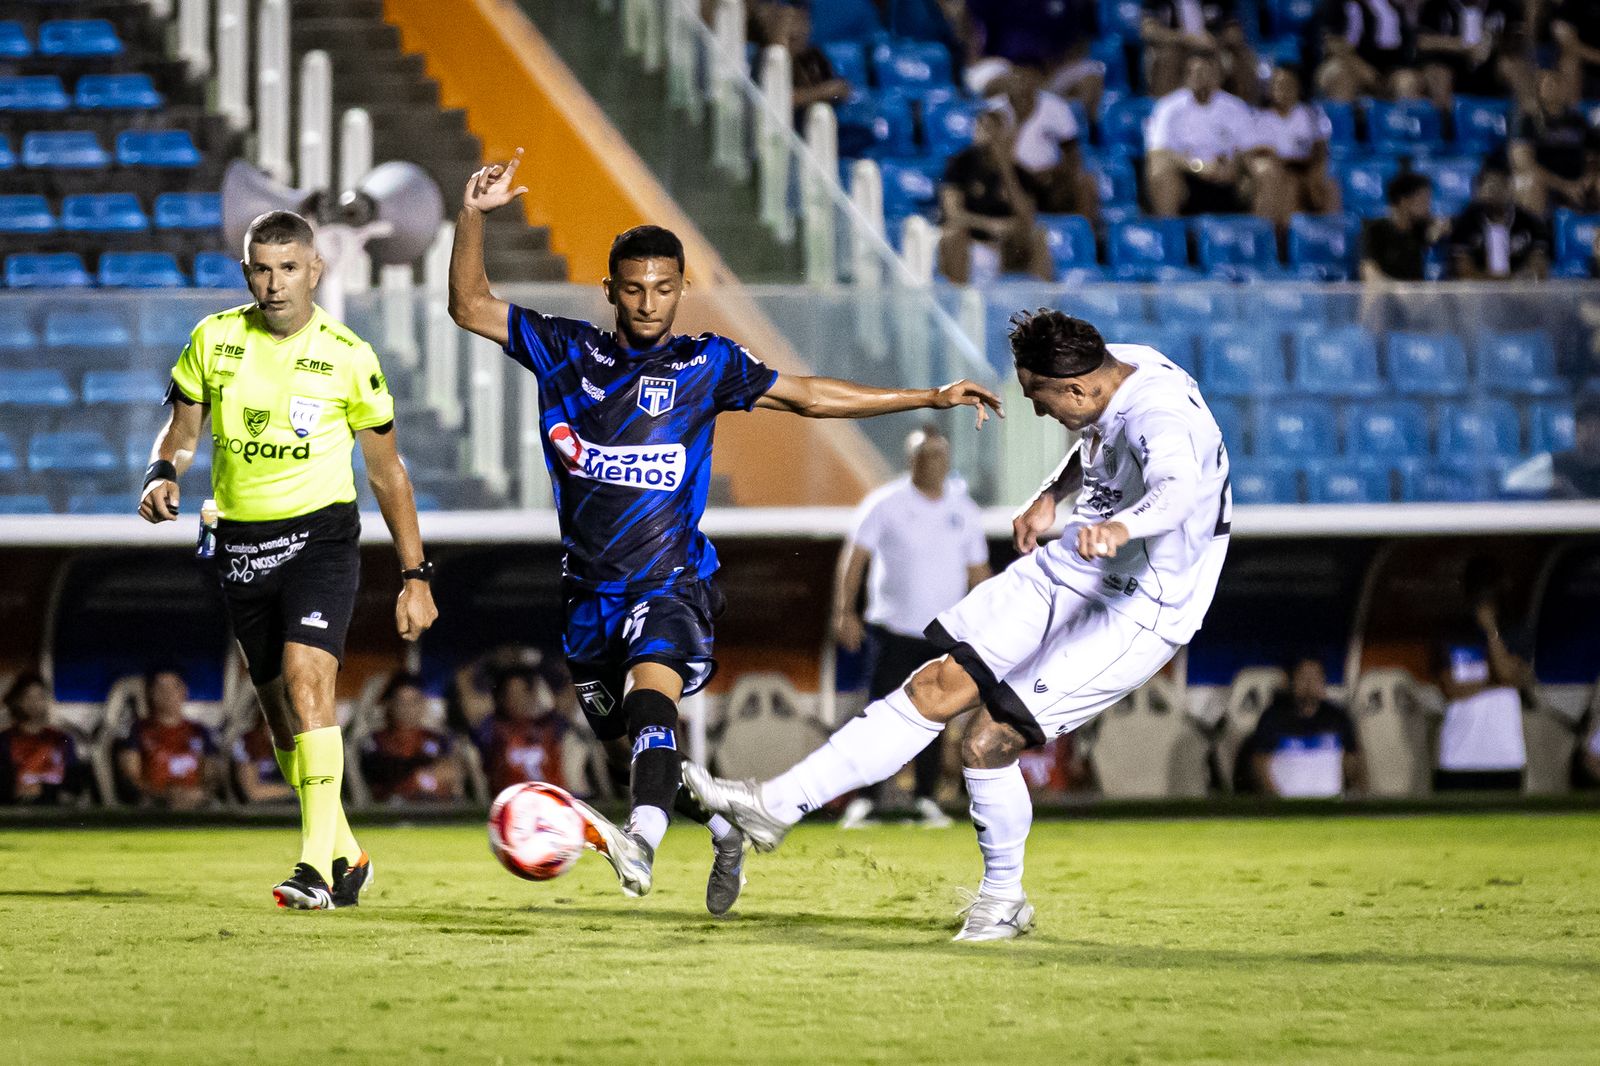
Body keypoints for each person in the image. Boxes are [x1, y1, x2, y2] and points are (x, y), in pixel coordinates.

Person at [448, 149, 1002, 915]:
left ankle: (638, 839)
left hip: (671, 578)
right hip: (586, 592)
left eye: (664, 289)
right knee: (639, 756)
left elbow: (808, 395)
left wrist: (930, 396)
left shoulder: (703, 364)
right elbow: (470, 305)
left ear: (682, 290)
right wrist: (472, 215)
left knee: (652, 706)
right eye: (635, 289)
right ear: (609, 290)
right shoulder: (565, 349)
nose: (649, 304)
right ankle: (724, 823)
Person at [684, 311, 1232, 942]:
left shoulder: (1161, 415)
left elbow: (1178, 489)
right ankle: (771, 809)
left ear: (1076, 388)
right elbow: (1098, 442)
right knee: (934, 687)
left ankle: (1003, 902)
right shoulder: (1116, 364)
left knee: (987, 741)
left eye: (1040, 399)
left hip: (1143, 602)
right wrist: (1053, 495)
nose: (1037, 411)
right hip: (1080, 562)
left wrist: (1122, 526)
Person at [137, 209, 438, 910]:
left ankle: (313, 870)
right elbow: (183, 432)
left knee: (310, 683)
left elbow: (390, 474)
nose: (275, 284)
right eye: (262, 269)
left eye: (289, 268)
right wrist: (161, 472)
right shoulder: (214, 340)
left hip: (320, 538)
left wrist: (416, 574)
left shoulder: (347, 354)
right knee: (282, 721)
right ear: (247, 272)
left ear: (315, 269)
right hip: (241, 545)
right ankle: (347, 853)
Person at [832, 425, 991, 830]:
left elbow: (978, 572)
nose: (934, 463)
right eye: (925, 455)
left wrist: (990, 622)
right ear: (911, 460)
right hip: (892, 631)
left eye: (940, 455)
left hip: (943, 634)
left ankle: (925, 799)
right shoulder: (884, 504)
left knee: (934, 720)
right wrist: (844, 611)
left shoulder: (964, 511)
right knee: (879, 716)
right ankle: (866, 800)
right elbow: (855, 560)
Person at [1433, 557, 1533, 792]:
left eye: (1489, 588)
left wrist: (1491, 631)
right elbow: (1451, 689)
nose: (1484, 597)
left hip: (1505, 755)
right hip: (1458, 756)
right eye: (1479, 588)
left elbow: (1508, 676)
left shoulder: (1515, 631)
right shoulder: (1451, 633)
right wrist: (1493, 684)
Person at [1146, 54, 1285, 222]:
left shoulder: (1234, 107)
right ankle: (1171, 238)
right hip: (1187, 176)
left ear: (1218, 76)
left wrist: (1235, 167)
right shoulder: (1168, 107)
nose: (1200, 78)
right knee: (1159, 169)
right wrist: (1198, 166)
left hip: (1228, 175)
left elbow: (1251, 147)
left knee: (1267, 170)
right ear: (1187, 76)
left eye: (1206, 72)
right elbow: (1159, 152)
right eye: (1195, 73)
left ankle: (1258, 238)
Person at [937, 108, 1054, 284]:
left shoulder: (1018, 172)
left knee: (1038, 236)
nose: (989, 137)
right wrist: (990, 225)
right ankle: (958, 303)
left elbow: (1027, 217)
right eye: (984, 129)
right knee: (953, 234)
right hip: (971, 239)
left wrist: (1006, 170)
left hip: (1006, 245)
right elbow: (953, 213)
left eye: (994, 130)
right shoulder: (961, 164)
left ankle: (1043, 302)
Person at [985, 65, 1101, 221]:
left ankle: (1082, 236)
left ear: (1036, 80)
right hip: (1011, 175)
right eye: (1015, 78)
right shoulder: (995, 109)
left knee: (1086, 182)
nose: (1020, 84)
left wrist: (1055, 172)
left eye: (1026, 78)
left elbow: (1072, 153)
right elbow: (989, 152)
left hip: (1050, 178)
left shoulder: (1056, 106)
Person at [1246, 658, 1366, 798]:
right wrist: (1276, 800)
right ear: (1291, 681)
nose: (1309, 684)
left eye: (1316, 677)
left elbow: (1352, 759)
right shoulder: (1273, 718)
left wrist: (1357, 791)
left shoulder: (1337, 717)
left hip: (1330, 808)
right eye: (1304, 677)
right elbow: (1259, 764)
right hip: (1287, 809)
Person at [115, 668, 224, 810]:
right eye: (161, 687)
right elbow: (130, 776)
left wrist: (198, 794)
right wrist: (163, 795)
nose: (167, 693)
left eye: (174, 687)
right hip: (154, 804)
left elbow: (212, 774)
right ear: (151, 693)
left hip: (195, 803)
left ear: (184, 691)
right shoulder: (137, 731)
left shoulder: (200, 731)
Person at [1251, 67, 1341, 222]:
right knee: (1284, 184)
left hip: (1307, 169)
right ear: (1271, 89)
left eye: (1289, 85)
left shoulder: (1312, 115)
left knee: (1330, 185)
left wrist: (1314, 174)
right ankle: (1282, 237)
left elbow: (1320, 150)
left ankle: (1328, 240)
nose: (1284, 90)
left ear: (1298, 88)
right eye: (1279, 85)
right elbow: (1259, 153)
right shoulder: (1261, 119)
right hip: (1277, 172)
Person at [362, 671, 461, 804]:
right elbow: (383, 779)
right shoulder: (377, 741)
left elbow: (450, 771)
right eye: (402, 702)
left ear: (422, 704)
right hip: (393, 809)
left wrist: (426, 779)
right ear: (391, 704)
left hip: (436, 807)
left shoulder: (436, 739)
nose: (408, 708)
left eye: (414, 701)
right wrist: (417, 780)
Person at [1509, 70, 1595, 215]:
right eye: (1549, 84)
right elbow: (1523, 163)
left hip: (1576, 182)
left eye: (1558, 84)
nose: (1554, 88)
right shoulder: (1527, 120)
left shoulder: (1578, 120)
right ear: (1539, 89)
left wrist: (1586, 179)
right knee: (1531, 183)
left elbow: (1593, 156)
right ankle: (1535, 234)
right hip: (1546, 181)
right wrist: (1564, 186)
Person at [474, 665, 568, 796]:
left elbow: (567, 699)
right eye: (513, 693)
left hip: (553, 798)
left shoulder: (549, 724)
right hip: (513, 800)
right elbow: (473, 712)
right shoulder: (493, 728)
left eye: (524, 692)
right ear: (501, 698)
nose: (520, 699)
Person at [1141, 0, 1258, 102]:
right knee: (1166, 57)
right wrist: (1186, 39)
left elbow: (1233, 30)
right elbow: (1149, 30)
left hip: (1212, 46)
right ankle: (1165, 109)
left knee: (1241, 55)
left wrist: (1216, 40)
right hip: (1176, 47)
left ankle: (1244, 109)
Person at [1450, 165, 1551, 280]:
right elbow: (1464, 272)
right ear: (1478, 191)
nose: (1496, 192)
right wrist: (1506, 281)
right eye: (1490, 186)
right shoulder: (1464, 223)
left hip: (1521, 292)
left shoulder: (1530, 222)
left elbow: (1538, 267)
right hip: (1478, 292)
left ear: (1511, 188)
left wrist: (1520, 282)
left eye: (1501, 185)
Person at [1316, 0, 1425, 102]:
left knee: (1408, 81)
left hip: (1389, 68)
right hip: (1349, 61)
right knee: (1340, 76)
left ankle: (1399, 121)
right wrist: (1361, 67)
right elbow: (1331, 42)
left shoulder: (1394, 4)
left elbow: (1405, 45)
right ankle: (1344, 120)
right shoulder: (1339, 3)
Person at [1416, 0, 1516, 109]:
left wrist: (1496, 43)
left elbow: (1519, 39)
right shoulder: (1436, 6)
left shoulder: (1501, 6)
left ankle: (1527, 116)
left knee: (1513, 66)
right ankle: (1446, 120)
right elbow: (1422, 41)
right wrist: (1461, 47)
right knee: (1438, 73)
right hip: (1450, 63)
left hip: (1490, 64)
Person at [0, 672, 79, 805]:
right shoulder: (4, 740)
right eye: (28, 697)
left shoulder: (62, 739)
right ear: (16, 701)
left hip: (56, 805)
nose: (34, 703)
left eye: (39, 697)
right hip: (18, 807)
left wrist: (44, 790)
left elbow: (73, 785)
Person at [1503, 396, 1600, 498]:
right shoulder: (1553, 462)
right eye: (1588, 426)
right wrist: (1546, 483)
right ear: (1576, 429)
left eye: (1597, 428)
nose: (1592, 434)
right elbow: (1511, 482)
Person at [1361, 172, 1444, 282]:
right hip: (1385, 295)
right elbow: (1369, 271)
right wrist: (1398, 290)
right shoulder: (1376, 230)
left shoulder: (1421, 229)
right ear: (1404, 201)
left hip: (1416, 295)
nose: (1428, 206)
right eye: (1423, 200)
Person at [232, 720, 296, 804]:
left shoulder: (297, 744)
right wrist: (293, 791)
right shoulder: (247, 743)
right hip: (260, 808)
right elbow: (254, 793)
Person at [1552, 0, 1600, 102]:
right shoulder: (1575, 3)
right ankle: (1573, 114)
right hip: (1586, 59)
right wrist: (1596, 56)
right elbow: (1564, 38)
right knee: (1569, 61)